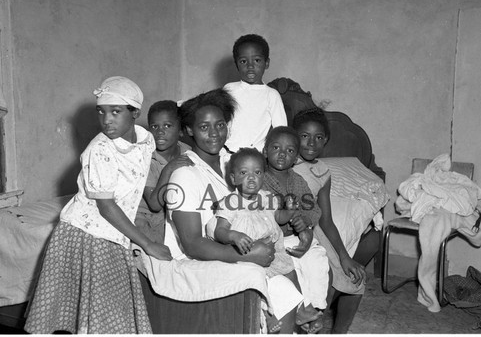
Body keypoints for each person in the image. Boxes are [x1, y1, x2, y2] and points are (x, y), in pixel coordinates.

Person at [138, 88, 303, 334]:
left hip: (240, 245)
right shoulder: (185, 174)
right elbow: (192, 244)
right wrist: (245, 256)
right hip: (200, 257)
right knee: (279, 287)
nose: (214, 133)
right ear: (190, 130)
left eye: (220, 125)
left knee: (297, 264)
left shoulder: (233, 163)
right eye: (204, 127)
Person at [24, 76, 172, 334]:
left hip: (113, 235)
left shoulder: (146, 140)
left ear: (135, 112)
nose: (107, 120)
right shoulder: (100, 149)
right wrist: (147, 244)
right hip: (83, 236)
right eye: (101, 112)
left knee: (109, 318)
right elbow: (107, 207)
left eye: (116, 112)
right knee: (97, 320)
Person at [212, 148, 324, 331]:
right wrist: (234, 236)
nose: (251, 178)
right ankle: (268, 315)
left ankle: (301, 308)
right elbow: (220, 231)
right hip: (251, 253)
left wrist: (288, 211)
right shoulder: (230, 202)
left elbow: (278, 218)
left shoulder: (267, 197)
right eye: (243, 173)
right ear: (233, 179)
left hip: (276, 250)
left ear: (263, 176)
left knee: (291, 270)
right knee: (261, 285)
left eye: (257, 173)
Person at [292, 107, 368, 334]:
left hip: (317, 230)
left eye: (318, 137)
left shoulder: (324, 172)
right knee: (327, 275)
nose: (311, 142)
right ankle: (310, 326)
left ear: (326, 140)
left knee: (355, 278)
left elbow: (326, 219)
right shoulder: (284, 162)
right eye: (304, 136)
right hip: (292, 229)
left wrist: (345, 257)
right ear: (294, 136)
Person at [262, 126, 330, 334]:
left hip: (296, 238)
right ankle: (301, 307)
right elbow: (263, 214)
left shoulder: (298, 181)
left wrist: (305, 223)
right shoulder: (260, 178)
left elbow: (314, 209)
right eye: (276, 147)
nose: (282, 154)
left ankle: (316, 307)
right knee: (293, 269)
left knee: (318, 258)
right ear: (265, 151)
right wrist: (287, 216)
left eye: (290, 151)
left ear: (296, 158)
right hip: (275, 240)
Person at [134, 100, 191, 244]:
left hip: (173, 214)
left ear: (181, 130)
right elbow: (154, 204)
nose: (160, 132)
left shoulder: (187, 152)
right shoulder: (144, 158)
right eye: (154, 126)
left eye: (167, 125)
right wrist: (169, 168)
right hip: (145, 217)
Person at [223, 34, 287, 153]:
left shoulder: (271, 95)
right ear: (236, 64)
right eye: (243, 61)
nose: (250, 66)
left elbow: (281, 131)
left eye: (257, 60)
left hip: (254, 158)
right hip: (225, 152)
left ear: (266, 63)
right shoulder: (229, 89)